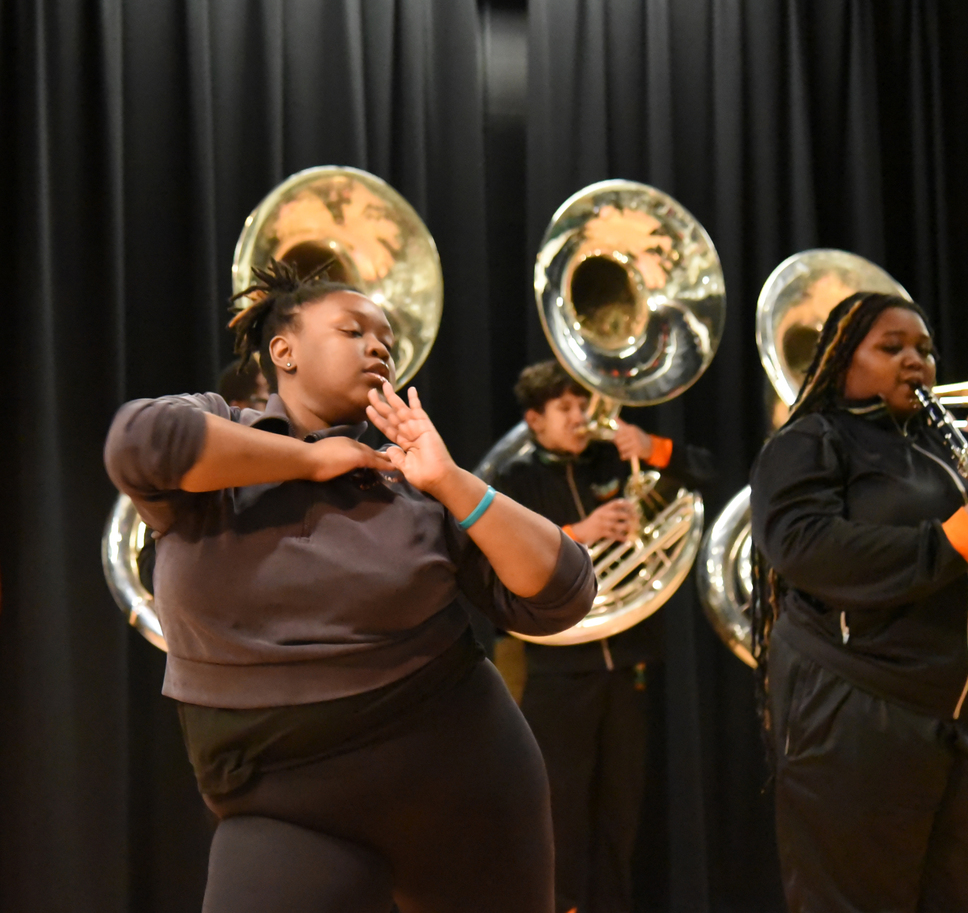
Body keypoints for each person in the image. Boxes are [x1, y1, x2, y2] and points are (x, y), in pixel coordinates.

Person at [104, 263, 597, 913]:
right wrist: (311, 459)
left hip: (464, 781)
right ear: (284, 350)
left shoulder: (410, 482)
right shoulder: (222, 434)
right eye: (353, 330)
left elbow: (563, 593)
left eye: (387, 342)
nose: (379, 348)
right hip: (282, 802)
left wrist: (451, 481)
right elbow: (141, 443)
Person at [750, 291, 968, 913]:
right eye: (891, 347)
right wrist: (953, 537)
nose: (915, 361)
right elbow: (803, 547)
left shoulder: (949, 448)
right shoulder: (811, 439)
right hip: (864, 715)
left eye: (925, 349)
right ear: (842, 359)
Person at [491, 359, 715, 913]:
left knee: (622, 811)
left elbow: (709, 472)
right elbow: (501, 554)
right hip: (558, 670)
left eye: (583, 405)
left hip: (629, 661)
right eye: (564, 408)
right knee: (561, 811)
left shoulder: (612, 459)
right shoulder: (515, 479)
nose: (580, 418)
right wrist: (581, 533)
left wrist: (652, 447)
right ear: (535, 420)